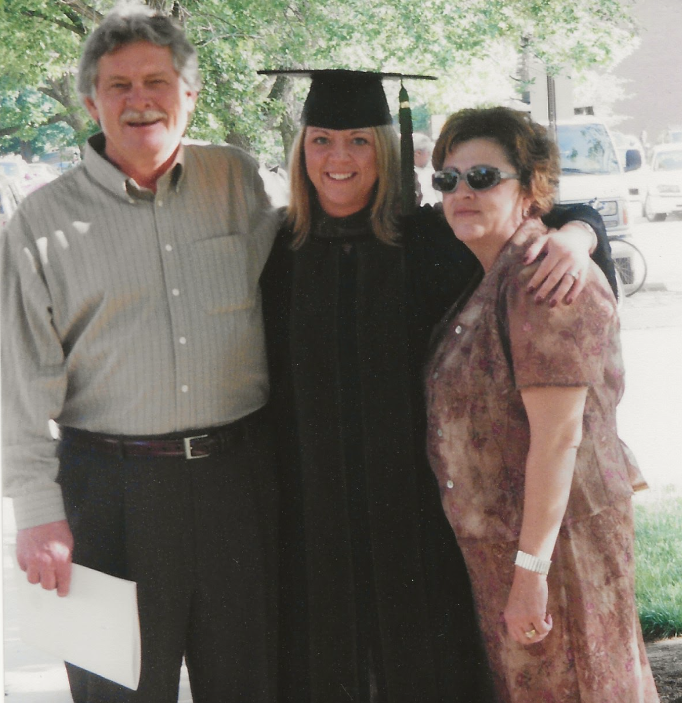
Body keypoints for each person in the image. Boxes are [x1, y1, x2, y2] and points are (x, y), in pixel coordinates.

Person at [259, 69, 617, 703]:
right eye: (320, 140)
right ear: (300, 150)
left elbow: (542, 216)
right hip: (315, 517)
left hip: (422, 521)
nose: (338, 158)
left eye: (360, 141)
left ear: (385, 148)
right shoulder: (278, 252)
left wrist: (579, 233)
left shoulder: (431, 238)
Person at [1, 5, 280, 702]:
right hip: (107, 494)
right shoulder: (41, 222)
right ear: (91, 101)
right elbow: (20, 378)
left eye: (157, 81)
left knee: (252, 684)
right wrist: (38, 510)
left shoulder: (236, 182)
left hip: (237, 486)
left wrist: (572, 227)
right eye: (118, 85)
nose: (139, 100)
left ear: (190, 95)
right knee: (116, 691)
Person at [424, 106, 659, 702]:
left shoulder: (542, 280)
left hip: (558, 555)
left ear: (531, 190)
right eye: (448, 179)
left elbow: (559, 438)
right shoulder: (493, 274)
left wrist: (530, 574)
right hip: (511, 552)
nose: (461, 192)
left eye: (483, 177)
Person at [413, 132, 441, 205]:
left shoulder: (433, 170)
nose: (430, 156)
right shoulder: (412, 173)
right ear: (418, 153)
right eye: (428, 153)